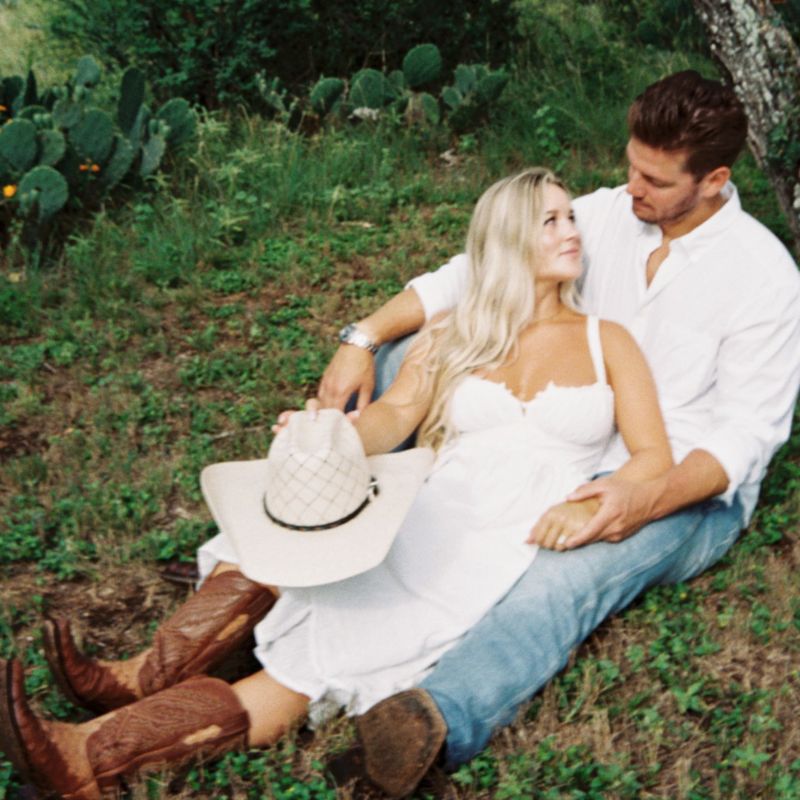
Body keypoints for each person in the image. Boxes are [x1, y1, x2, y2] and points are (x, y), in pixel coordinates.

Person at [0, 169, 674, 800]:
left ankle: (91, 754)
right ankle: (135, 679)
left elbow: (651, 458)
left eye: (570, 218)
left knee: (318, 662)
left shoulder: (605, 340)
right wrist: (333, 436)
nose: (571, 231)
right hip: (433, 504)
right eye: (550, 220)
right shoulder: (458, 330)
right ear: (507, 239)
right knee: (293, 553)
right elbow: (398, 413)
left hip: (497, 543)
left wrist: (595, 504)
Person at [315, 70, 800, 797]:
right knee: (403, 358)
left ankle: (434, 721)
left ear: (714, 181)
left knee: (566, 572)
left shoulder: (765, 278)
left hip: (677, 481)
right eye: (630, 165)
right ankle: (309, 529)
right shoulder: (608, 214)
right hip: (564, 432)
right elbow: (475, 272)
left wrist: (640, 499)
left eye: (654, 180)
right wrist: (363, 337)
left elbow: (746, 437)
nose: (630, 188)